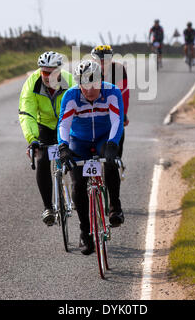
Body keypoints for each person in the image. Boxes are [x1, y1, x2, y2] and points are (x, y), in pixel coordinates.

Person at [57, 60, 124, 255]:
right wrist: (63, 147)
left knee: (110, 164)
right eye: (83, 86)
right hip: (80, 140)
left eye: (92, 85)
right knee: (78, 184)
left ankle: (115, 207)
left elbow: (117, 120)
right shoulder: (71, 95)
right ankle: (85, 232)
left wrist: (113, 144)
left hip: (104, 137)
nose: (88, 91)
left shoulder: (112, 92)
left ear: (101, 80)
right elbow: (64, 124)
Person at [19, 51, 74, 226]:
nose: (48, 76)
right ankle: (48, 207)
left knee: (76, 156)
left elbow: (79, 108)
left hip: (67, 123)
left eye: (52, 72)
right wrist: (32, 139)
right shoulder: (31, 84)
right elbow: (27, 114)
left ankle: (80, 192)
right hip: (44, 126)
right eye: (44, 72)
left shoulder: (70, 81)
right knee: (42, 158)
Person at [91, 44, 129, 158]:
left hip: (112, 110)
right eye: (99, 61)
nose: (102, 65)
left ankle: (117, 159)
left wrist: (123, 114)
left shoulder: (118, 69)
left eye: (105, 61)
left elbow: (124, 94)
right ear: (93, 60)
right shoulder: (88, 69)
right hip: (91, 112)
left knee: (119, 129)